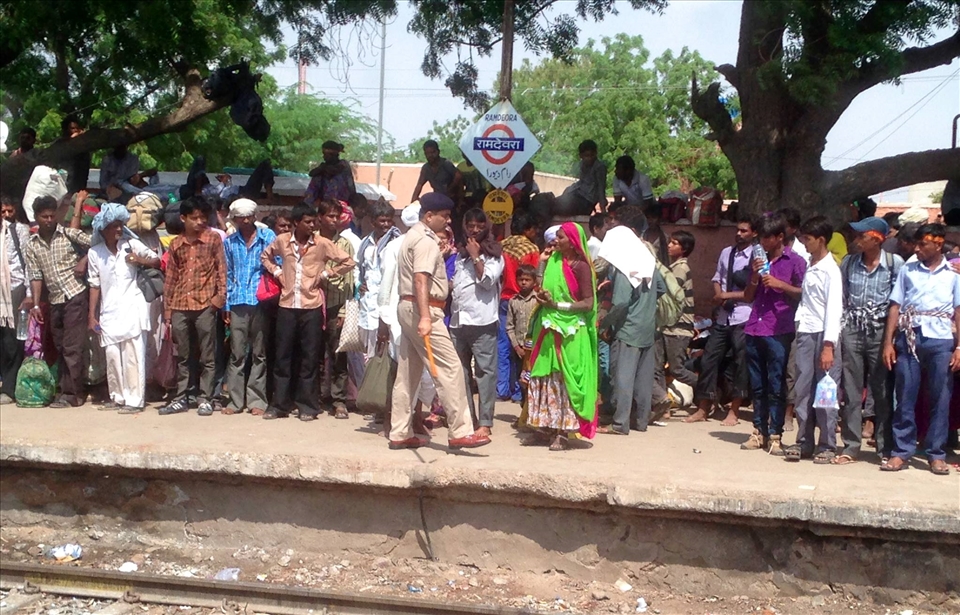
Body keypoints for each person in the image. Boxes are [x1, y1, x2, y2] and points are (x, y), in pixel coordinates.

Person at [387, 192, 490, 450]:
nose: (448, 220)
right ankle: (460, 431)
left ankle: (399, 432)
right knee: (451, 367)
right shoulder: (426, 241)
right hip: (425, 310)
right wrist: (425, 316)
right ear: (429, 216)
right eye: (444, 216)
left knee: (407, 373)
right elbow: (421, 279)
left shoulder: (411, 236)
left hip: (409, 306)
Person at [261, 203, 355, 421]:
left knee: (309, 358)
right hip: (287, 306)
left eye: (314, 221)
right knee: (283, 357)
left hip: (311, 307)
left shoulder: (322, 244)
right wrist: (277, 272)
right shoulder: (282, 241)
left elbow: (348, 262)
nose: (313, 225)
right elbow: (265, 256)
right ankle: (279, 404)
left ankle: (308, 406)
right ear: (297, 223)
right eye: (308, 222)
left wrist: (326, 274)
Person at [881, 223, 960, 475]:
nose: (917, 249)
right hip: (909, 338)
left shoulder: (953, 274)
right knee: (905, 395)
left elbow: (958, 311)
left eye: (922, 244)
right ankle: (901, 451)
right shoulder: (908, 270)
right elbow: (895, 306)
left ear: (938, 244)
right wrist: (888, 343)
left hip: (941, 340)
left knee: (940, 397)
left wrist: (959, 347)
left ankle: (936, 453)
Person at [524, 222, 599, 449]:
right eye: (555, 236)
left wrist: (558, 305)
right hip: (548, 327)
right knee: (546, 376)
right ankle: (545, 427)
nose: (555, 240)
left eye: (561, 237)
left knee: (565, 379)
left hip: (571, 331)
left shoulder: (581, 267)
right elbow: (541, 286)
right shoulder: (553, 261)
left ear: (573, 242)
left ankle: (563, 431)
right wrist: (542, 263)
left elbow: (588, 303)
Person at [837, 216, 903, 465]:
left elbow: (898, 302)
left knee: (882, 391)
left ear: (876, 239)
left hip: (880, 332)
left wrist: (889, 341)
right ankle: (851, 446)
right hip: (853, 329)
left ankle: (884, 447)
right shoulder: (849, 262)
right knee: (851, 391)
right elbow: (842, 296)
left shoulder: (894, 264)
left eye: (861, 236)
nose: (857, 240)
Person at [742, 213, 807, 455]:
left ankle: (776, 434)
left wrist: (782, 286)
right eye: (761, 238)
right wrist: (754, 277)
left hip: (779, 328)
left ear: (780, 237)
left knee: (776, 384)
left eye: (767, 238)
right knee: (757, 384)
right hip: (755, 326)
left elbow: (804, 293)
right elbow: (748, 296)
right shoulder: (759, 260)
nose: (763, 242)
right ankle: (758, 431)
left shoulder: (795, 261)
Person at [87, 203, 160, 413]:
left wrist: (138, 259)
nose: (119, 229)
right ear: (103, 229)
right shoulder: (95, 253)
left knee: (133, 356)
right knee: (112, 356)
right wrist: (92, 316)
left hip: (133, 308)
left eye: (120, 225)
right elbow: (94, 285)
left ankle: (135, 401)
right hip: (109, 312)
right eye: (114, 226)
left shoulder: (132, 245)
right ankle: (117, 397)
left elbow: (156, 261)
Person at [686, 216, 758, 425]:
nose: (739, 234)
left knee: (740, 362)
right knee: (709, 359)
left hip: (744, 316)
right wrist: (719, 296)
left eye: (744, 231)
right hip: (724, 317)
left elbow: (753, 292)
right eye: (738, 230)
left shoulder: (757, 256)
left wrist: (726, 296)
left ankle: (734, 410)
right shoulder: (727, 252)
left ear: (754, 234)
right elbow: (718, 277)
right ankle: (703, 406)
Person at [159, 197, 227, 417]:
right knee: (183, 355)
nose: (199, 222)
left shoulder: (212, 239)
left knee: (207, 355)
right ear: (183, 218)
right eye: (194, 218)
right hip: (180, 304)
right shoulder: (176, 244)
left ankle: (205, 398)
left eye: (202, 217)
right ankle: (181, 397)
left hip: (205, 303)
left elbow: (221, 270)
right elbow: (171, 277)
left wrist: (219, 299)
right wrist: (168, 310)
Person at [783, 216, 843, 463]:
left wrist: (828, 346)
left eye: (808, 239)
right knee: (803, 389)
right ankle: (804, 441)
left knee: (826, 391)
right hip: (806, 333)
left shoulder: (831, 270)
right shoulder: (811, 264)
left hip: (824, 335)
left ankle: (827, 444)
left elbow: (834, 309)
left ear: (821, 240)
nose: (804, 243)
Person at [598, 211, 662, 436]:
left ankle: (619, 424)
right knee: (644, 378)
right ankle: (641, 421)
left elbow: (621, 302)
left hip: (628, 328)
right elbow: (661, 288)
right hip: (647, 325)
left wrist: (605, 324)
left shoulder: (624, 266)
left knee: (623, 377)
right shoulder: (648, 261)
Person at [25, 193, 91, 407]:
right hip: (55, 299)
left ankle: (73, 394)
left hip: (75, 294)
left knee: (72, 346)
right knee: (60, 346)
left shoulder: (69, 234)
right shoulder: (32, 244)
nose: (49, 220)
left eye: (52, 216)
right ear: (36, 217)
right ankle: (64, 389)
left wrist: (84, 260)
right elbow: (35, 275)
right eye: (44, 216)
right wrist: (36, 304)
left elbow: (97, 245)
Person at [449, 208, 504, 438]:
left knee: (485, 374)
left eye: (480, 226)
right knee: (460, 373)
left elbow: (486, 281)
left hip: (482, 322)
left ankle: (485, 422)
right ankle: (467, 420)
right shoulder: (459, 254)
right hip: (458, 322)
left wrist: (476, 256)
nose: (474, 230)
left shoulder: (494, 254)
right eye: (470, 225)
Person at [222, 198, 275, 416]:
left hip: (260, 300)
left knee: (259, 353)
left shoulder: (267, 237)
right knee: (237, 353)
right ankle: (235, 401)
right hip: (237, 301)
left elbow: (277, 263)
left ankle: (257, 401)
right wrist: (226, 304)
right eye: (239, 218)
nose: (244, 221)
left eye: (247, 217)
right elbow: (228, 274)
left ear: (254, 217)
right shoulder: (229, 242)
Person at [316, 198, 356, 418]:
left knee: (338, 355)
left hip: (335, 305)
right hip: (312, 304)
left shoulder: (345, 244)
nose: (334, 220)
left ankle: (339, 400)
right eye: (330, 216)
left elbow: (349, 280)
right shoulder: (311, 241)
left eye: (336, 216)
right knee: (313, 353)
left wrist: (343, 311)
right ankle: (314, 396)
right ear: (320, 217)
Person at [498, 211, 541, 402]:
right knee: (526, 348)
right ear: (527, 230)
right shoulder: (531, 249)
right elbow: (536, 275)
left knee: (504, 345)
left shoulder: (501, 246)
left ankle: (502, 389)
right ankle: (519, 391)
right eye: (534, 229)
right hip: (525, 301)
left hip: (504, 298)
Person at [357, 200, 401, 363]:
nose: (386, 225)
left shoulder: (396, 244)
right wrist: (358, 284)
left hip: (388, 304)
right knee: (366, 355)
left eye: (389, 220)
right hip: (367, 306)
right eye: (382, 221)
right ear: (372, 222)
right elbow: (358, 268)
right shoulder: (365, 243)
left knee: (387, 354)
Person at [0, 197, 32, 404]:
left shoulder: (19, 231)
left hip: (14, 288)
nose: (6, 215)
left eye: (9, 211)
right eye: (3, 212)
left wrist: (29, 293)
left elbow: (28, 263)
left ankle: (10, 388)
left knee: (11, 340)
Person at [662, 230, 698, 392]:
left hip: (678, 328)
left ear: (684, 249)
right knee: (659, 368)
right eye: (670, 242)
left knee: (677, 369)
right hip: (671, 327)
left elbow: (670, 294)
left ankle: (707, 390)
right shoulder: (674, 267)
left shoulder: (680, 269)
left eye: (674, 243)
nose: (669, 245)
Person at [505, 264, 539, 407]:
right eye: (521, 279)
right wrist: (516, 346)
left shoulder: (538, 300)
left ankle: (533, 410)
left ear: (534, 282)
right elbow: (509, 326)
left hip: (536, 349)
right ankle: (524, 409)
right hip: (520, 350)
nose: (524, 282)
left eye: (527, 280)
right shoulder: (513, 301)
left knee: (534, 380)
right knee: (522, 380)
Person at [556, 140, 607, 215]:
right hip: (577, 195)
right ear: (581, 156)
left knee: (557, 206)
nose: (589, 158)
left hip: (587, 201)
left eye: (592, 155)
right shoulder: (581, 164)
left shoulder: (599, 167)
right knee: (552, 202)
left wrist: (603, 210)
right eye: (586, 156)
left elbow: (601, 188)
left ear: (596, 154)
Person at [56, 115, 91, 194]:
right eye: (72, 128)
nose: (75, 131)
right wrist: (72, 140)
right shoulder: (60, 143)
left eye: (77, 128)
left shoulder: (83, 147)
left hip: (78, 186)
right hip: (63, 184)